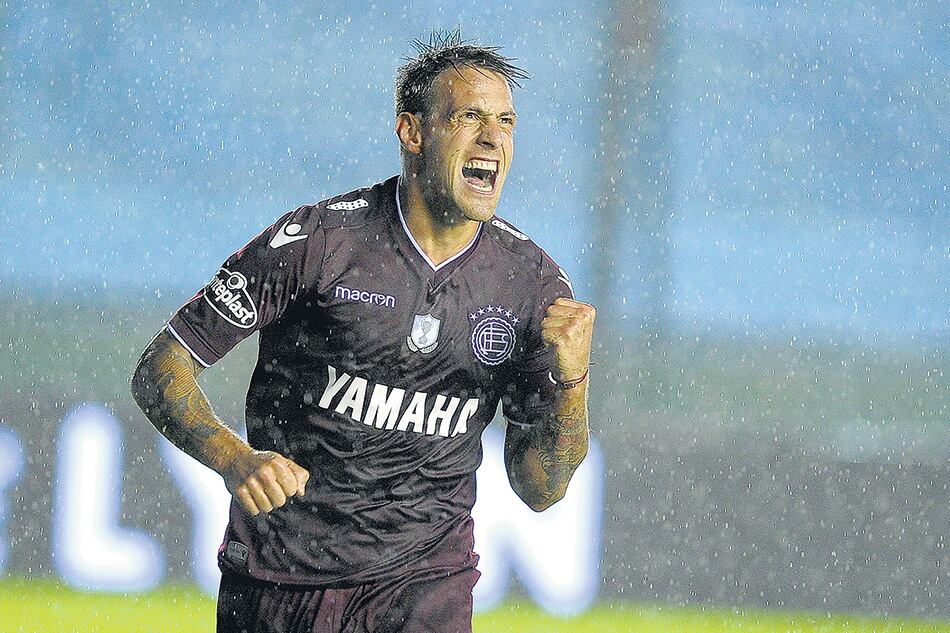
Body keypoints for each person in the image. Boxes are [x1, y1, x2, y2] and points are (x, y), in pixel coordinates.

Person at [131, 30, 595, 633]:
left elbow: (542, 488)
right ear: (412, 132)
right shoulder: (319, 243)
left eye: (505, 121)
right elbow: (160, 370)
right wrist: (234, 460)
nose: (494, 139)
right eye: (470, 117)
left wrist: (571, 380)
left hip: (425, 588)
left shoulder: (530, 284)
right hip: (280, 581)